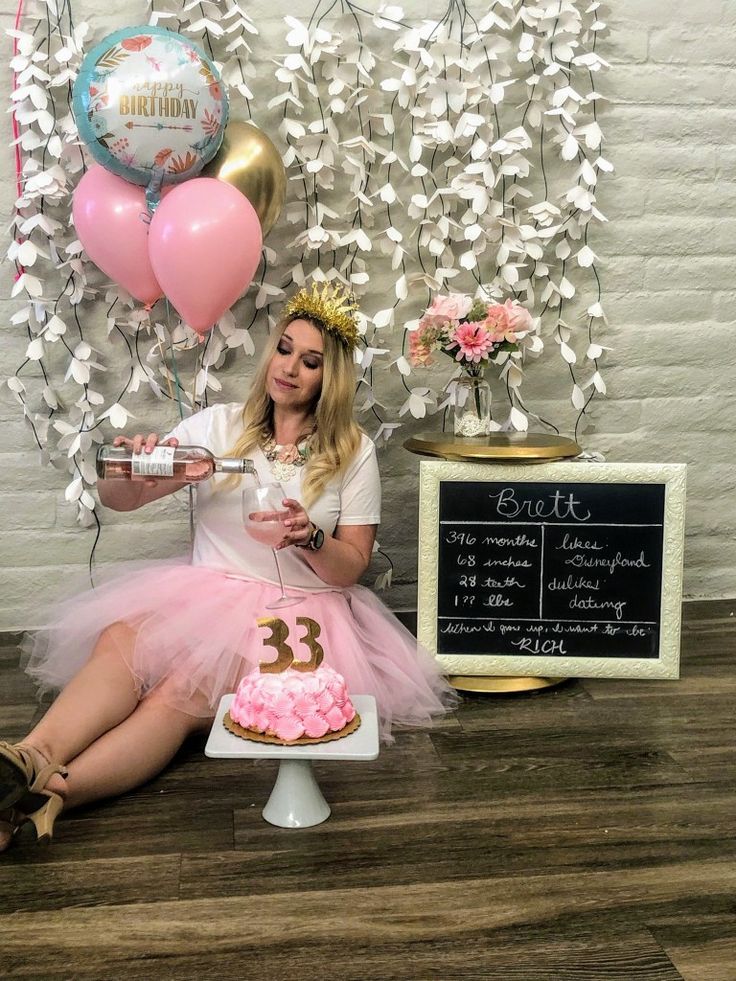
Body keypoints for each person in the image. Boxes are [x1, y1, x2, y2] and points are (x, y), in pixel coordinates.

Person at [0, 282, 456, 851]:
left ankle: (52, 797)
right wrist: (130, 474)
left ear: (329, 378)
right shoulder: (214, 428)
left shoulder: (350, 451)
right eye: (285, 349)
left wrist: (309, 536)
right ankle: (27, 757)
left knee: (175, 695)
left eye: (309, 361)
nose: (289, 368)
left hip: (294, 618)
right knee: (121, 639)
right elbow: (122, 502)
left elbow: (351, 568)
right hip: (203, 595)